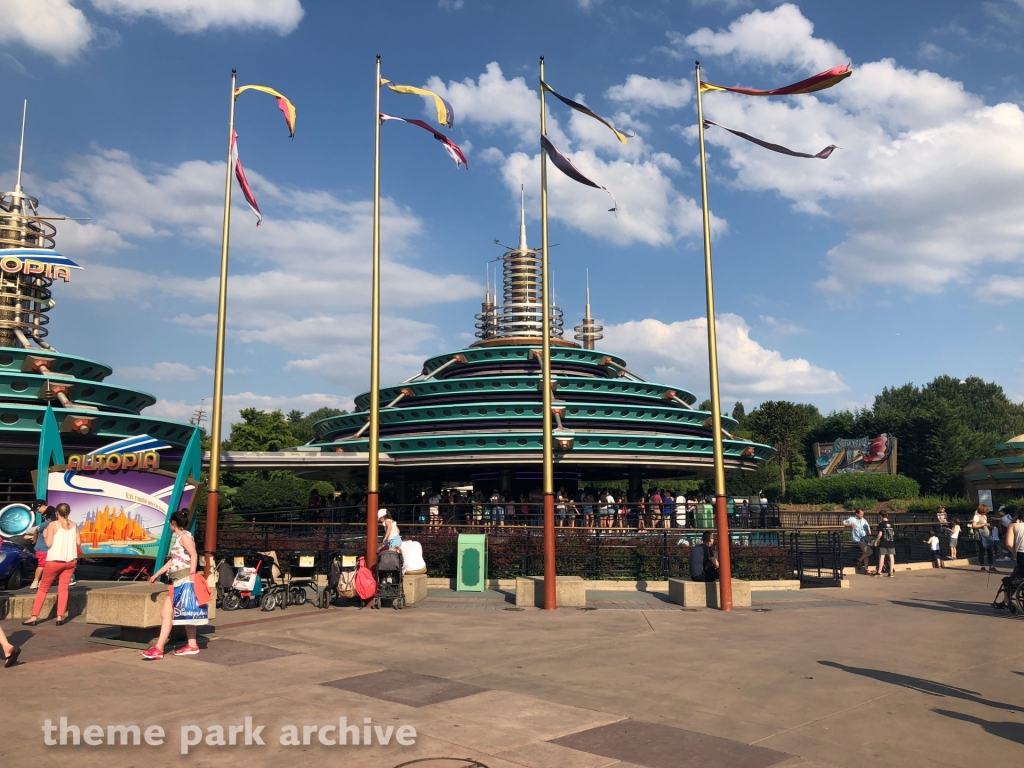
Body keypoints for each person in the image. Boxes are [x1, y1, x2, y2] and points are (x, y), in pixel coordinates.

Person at [142, 510, 206, 660]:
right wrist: (157, 574)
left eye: (169, 522)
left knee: (167, 613)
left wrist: (191, 575)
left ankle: (159, 648)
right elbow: (173, 560)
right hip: (179, 579)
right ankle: (191, 644)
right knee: (182, 614)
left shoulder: (184, 537)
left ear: (173, 523)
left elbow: (194, 554)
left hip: (183, 579)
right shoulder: (181, 537)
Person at [23, 503, 80, 627]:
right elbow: (78, 542)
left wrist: (44, 535)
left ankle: (34, 617)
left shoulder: (53, 525)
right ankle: (59, 617)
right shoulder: (74, 524)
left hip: (55, 560)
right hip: (70, 561)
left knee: (43, 588)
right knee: (63, 588)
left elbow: (48, 544)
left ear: (57, 513)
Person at [29, 502, 55, 589]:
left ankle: (40, 581)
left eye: (37, 509)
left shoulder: (51, 510)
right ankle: (36, 581)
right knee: (43, 565)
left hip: (45, 545)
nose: (37, 511)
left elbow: (51, 523)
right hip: (43, 546)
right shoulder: (47, 522)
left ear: (42, 506)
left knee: (46, 565)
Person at [972, 504, 996, 572]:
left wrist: (990, 526)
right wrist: (983, 524)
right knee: (981, 550)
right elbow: (974, 525)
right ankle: (982, 566)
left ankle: (991, 565)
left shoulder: (984, 516)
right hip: (980, 535)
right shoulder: (976, 516)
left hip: (987, 534)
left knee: (990, 550)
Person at [873, 511, 897, 577]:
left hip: (884, 542)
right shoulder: (891, 523)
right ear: (887, 515)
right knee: (891, 556)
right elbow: (893, 533)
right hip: (891, 541)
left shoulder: (881, 524)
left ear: (880, 516)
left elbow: (880, 534)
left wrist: (876, 541)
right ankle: (891, 572)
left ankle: (879, 572)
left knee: (882, 556)